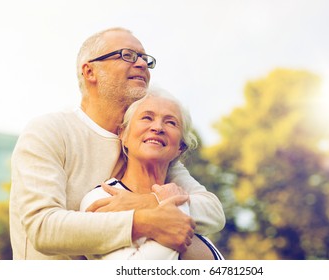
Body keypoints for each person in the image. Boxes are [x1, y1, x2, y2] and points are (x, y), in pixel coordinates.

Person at [9, 27, 225, 260]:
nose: (142, 64)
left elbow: (211, 210)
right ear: (90, 71)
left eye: (145, 58)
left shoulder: (144, 145)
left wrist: (148, 202)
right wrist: (143, 221)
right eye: (127, 55)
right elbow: (43, 228)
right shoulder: (49, 131)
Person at [80, 88, 224, 260]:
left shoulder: (182, 196)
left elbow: (215, 214)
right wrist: (174, 212)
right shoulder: (103, 198)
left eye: (171, 122)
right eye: (147, 117)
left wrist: (163, 203)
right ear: (123, 134)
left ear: (180, 147)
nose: (157, 127)